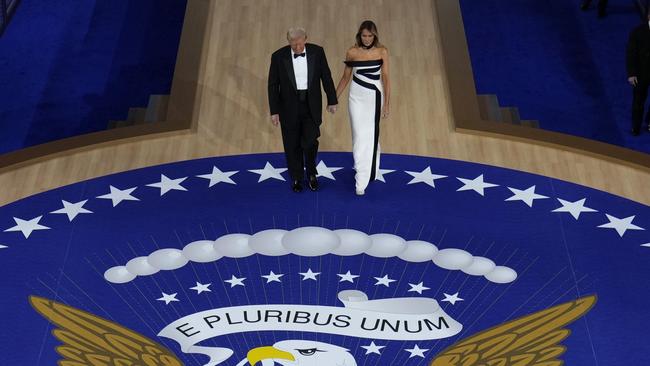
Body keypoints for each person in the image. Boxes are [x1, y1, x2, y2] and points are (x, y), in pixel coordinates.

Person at [268, 27, 338, 192]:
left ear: (305, 39)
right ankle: (297, 178)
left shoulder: (317, 52)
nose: (297, 48)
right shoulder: (278, 57)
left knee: (309, 142)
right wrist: (274, 111)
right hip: (288, 108)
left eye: (300, 45)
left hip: (311, 105)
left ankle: (312, 173)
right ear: (289, 42)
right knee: (292, 145)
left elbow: (326, 76)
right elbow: (272, 85)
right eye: (293, 46)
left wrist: (332, 99)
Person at [335, 21, 390, 196]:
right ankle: (362, 172)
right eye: (364, 36)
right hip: (355, 98)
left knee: (371, 135)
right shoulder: (352, 52)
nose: (367, 39)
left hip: (374, 96)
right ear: (359, 35)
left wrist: (387, 104)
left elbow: (386, 78)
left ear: (375, 36)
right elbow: (345, 77)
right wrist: (333, 98)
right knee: (359, 135)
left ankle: (364, 177)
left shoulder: (382, 51)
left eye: (370, 36)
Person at [626, 13, 650, 135]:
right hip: (641, 74)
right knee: (638, 102)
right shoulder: (638, 32)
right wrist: (632, 73)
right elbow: (631, 54)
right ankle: (636, 126)